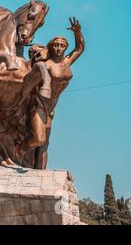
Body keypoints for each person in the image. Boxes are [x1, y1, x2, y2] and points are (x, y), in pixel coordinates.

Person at [16, 17, 85, 168]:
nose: (59, 48)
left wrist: (77, 32)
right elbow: (27, 82)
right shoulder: (45, 65)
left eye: (62, 46)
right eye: (56, 45)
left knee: (44, 144)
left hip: (51, 109)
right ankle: (18, 150)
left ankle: (40, 173)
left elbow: (79, 48)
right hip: (38, 105)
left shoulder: (66, 62)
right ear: (51, 47)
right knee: (39, 139)